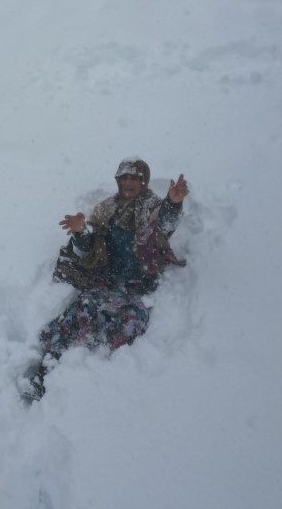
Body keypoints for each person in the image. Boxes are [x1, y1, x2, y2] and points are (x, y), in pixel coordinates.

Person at [22, 158, 189, 401]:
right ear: (118, 181)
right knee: (79, 314)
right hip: (107, 281)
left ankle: (97, 379)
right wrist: (81, 232)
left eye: (134, 178)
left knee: (130, 322)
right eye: (124, 178)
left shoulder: (153, 207)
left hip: (138, 285)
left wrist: (173, 203)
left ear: (143, 182)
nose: (129, 182)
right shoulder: (106, 209)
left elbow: (164, 224)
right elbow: (89, 248)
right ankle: (43, 375)